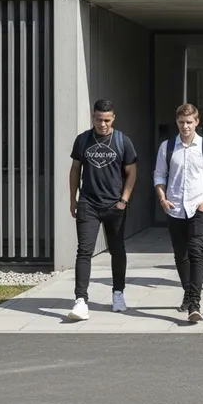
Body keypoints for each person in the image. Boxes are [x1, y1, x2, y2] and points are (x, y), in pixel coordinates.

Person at [67, 99, 138, 321]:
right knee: (84, 251)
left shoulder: (122, 141)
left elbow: (131, 172)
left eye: (107, 120)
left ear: (113, 118)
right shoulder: (83, 140)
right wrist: (73, 199)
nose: (103, 124)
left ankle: (118, 294)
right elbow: (75, 170)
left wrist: (124, 201)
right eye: (99, 119)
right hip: (88, 203)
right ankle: (81, 300)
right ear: (93, 117)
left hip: (114, 205)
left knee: (117, 251)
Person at [154, 103, 203, 323]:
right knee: (180, 255)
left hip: (199, 207)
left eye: (189, 122)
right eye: (182, 122)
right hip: (175, 209)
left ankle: (194, 303)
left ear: (197, 122)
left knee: (196, 252)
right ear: (177, 123)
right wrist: (162, 199)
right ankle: (187, 292)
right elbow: (159, 176)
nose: (185, 126)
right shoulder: (167, 147)